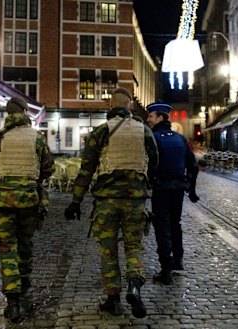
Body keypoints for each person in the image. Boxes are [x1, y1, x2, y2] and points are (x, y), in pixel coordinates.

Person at [64, 87, 158, 318]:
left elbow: (86, 170)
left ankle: (113, 299)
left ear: (110, 106)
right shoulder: (144, 131)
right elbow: (155, 162)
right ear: (130, 106)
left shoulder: (101, 132)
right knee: (134, 246)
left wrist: (75, 201)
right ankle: (134, 286)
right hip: (135, 201)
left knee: (108, 250)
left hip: (106, 202)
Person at [0, 96, 53, 322]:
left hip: (3, 201)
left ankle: (12, 301)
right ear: (24, 112)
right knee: (26, 242)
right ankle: (25, 282)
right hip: (29, 200)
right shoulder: (37, 139)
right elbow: (48, 169)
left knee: (7, 247)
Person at [145, 102, 199, 285]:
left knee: (162, 228)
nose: (148, 119)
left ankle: (166, 271)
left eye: (151, 116)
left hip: (161, 190)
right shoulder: (180, 139)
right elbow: (193, 166)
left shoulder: (152, 138)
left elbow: (148, 165)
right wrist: (192, 190)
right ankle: (178, 260)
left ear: (160, 117)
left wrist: (148, 184)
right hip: (178, 190)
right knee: (176, 224)